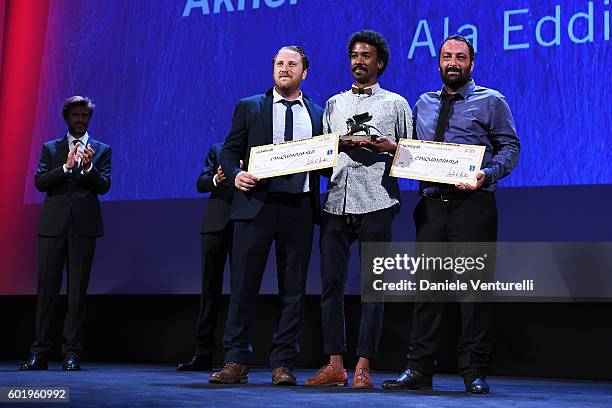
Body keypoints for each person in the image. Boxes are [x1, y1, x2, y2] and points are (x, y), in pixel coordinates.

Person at [382, 35, 520, 394]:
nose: (453, 62)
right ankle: (418, 369)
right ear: (439, 63)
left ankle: (473, 370)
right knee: (427, 292)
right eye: (447, 57)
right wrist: (393, 149)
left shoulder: (491, 100)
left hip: (473, 206)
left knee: (472, 293)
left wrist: (485, 174)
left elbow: (510, 147)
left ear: (472, 64)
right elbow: (417, 151)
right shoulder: (423, 103)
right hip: (430, 206)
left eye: (460, 57)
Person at [209, 45, 324, 386]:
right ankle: (235, 360)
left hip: (299, 209)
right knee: (243, 287)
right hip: (255, 206)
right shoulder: (250, 107)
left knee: (294, 289)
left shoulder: (318, 114)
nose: (284, 68)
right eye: (278, 63)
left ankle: (283, 363)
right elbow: (230, 151)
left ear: (305, 72)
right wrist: (234, 175)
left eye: (292, 64)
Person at [304, 30, 412, 389]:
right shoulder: (333, 104)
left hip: (378, 201)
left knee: (373, 287)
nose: (358, 61)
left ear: (379, 62)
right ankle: (335, 364)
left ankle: (364, 366)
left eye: (366, 56)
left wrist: (387, 146)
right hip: (335, 201)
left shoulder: (397, 103)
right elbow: (322, 153)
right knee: (331, 286)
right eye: (354, 55)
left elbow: (409, 157)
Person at [20, 96, 112, 371]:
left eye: (84, 115)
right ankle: (39, 352)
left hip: (83, 227)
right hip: (52, 227)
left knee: (76, 294)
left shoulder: (101, 150)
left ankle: (71, 352)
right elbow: (39, 182)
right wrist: (66, 167)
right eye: (75, 115)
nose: (80, 120)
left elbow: (104, 186)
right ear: (67, 117)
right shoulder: (51, 148)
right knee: (46, 291)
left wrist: (87, 168)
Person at [177, 143, 234, 371]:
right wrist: (216, 180)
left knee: (242, 293)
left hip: (247, 225)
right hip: (215, 225)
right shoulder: (218, 150)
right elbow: (201, 183)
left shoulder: (258, 151)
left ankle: (236, 356)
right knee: (210, 291)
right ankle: (203, 353)